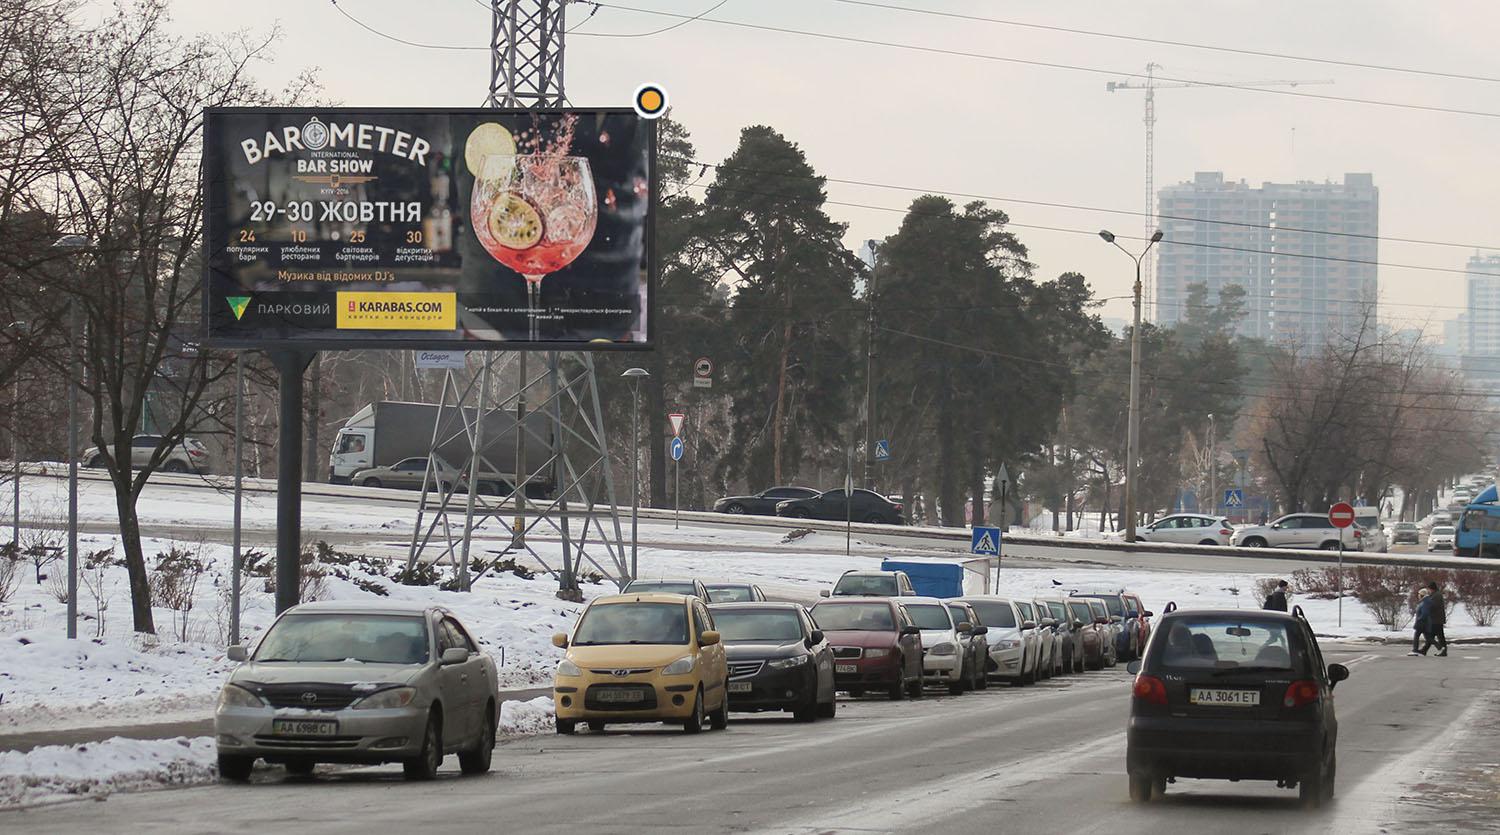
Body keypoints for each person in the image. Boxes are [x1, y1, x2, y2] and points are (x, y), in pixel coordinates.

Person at [1422, 580, 1449, 657]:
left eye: (1429, 589)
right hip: (1437, 619)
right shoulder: (1435, 595)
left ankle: (1426, 650)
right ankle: (1425, 650)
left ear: (1432, 588)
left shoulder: (1436, 596)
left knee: (1433, 636)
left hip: (1436, 619)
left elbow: (1432, 606)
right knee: (1437, 636)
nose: (1428, 590)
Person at [1410, 587, 1433, 656]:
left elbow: (1425, 613)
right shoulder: (1425, 601)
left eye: (1419, 594)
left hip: (1422, 622)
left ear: (1422, 595)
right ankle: (1439, 646)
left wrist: (1420, 619)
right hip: (1424, 622)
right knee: (1428, 638)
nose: (1418, 596)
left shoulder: (1425, 602)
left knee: (1417, 635)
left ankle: (1415, 650)